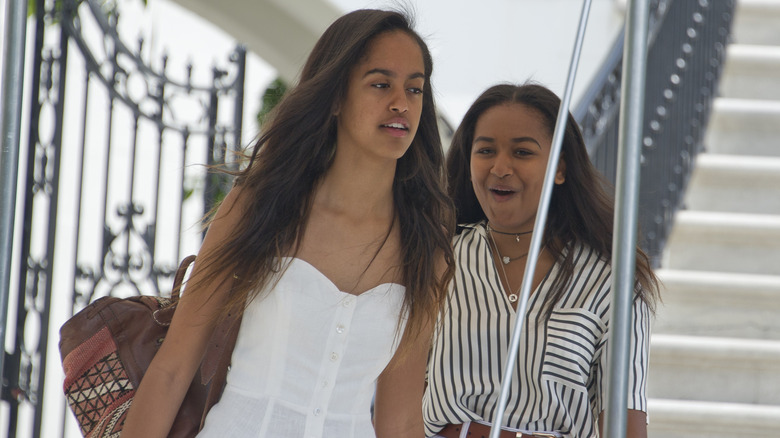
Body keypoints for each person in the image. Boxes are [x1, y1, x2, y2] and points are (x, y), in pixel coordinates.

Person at [122, 9, 455, 438]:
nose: (401, 103)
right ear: (335, 97)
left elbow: (400, 419)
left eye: (414, 89)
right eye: (380, 84)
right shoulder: (262, 205)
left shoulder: (424, 244)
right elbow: (173, 368)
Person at [422, 83, 659, 438]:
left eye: (522, 152)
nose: (500, 167)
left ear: (560, 169)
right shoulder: (435, 260)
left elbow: (626, 427)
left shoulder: (614, 282)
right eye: (485, 150)